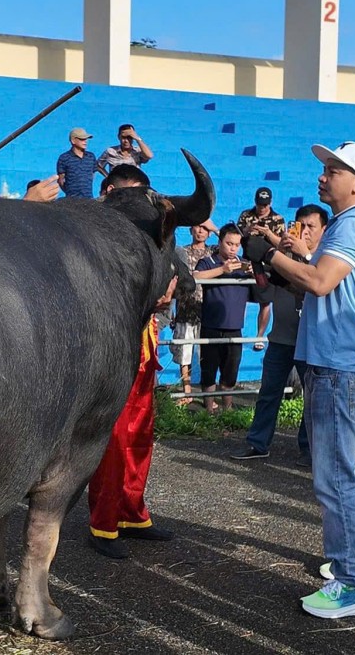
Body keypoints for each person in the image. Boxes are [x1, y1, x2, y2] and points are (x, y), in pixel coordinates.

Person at [259, 141, 355, 619]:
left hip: (338, 364)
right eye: (325, 167)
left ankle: (353, 585)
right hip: (336, 361)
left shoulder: (354, 222)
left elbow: (319, 282)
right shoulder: (350, 223)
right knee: (342, 471)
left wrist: (270, 258)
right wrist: (281, 254)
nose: (322, 175)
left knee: (334, 478)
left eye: (334, 169)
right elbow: (317, 277)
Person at [87, 163, 175, 559]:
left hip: (145, 339)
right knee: (114, 437)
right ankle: (103, 524)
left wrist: (167, 290)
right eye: (127, 193)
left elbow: (175, 273)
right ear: (107, 192)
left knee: (140, 432)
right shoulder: (87, 229)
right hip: (109, 343)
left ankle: (133, 512)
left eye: (142, 194)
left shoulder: (151, 231)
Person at [230, 204, 328, 463]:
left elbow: (316, 284)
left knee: (312, 398)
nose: (304, 232)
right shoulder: (282, 255)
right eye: (300, 225)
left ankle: (308, 449)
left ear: (324, 230)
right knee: (268, 392)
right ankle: (258, 442)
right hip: (281, 337)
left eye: (311, 227)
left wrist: (305, 255)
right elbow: (267, 281)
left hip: (310, 340)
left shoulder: (325, 259)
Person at [193, 224, 250, 413]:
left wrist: (253, 271)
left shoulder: (244, 264)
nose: (233, 248)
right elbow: (196, 276)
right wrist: (222, 270)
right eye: (229, 243)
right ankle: (209, 412)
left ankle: (228, 412)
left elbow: (265, 278)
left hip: (235, 327)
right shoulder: (208, 261)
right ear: (219, 242)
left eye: (237, 244)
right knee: (208, 371)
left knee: (230, 374)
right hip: (211, 325)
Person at [238, 186, 286, 351]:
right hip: (247, 262)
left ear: (270, 203)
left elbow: (282, 244)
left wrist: (268, 233)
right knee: (240, 298)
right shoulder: (246, 215)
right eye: (259, 204)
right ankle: (237, 331)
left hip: (266, 264)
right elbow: (236, 236)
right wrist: (247, 230)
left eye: (265, 205)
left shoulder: (277, 219)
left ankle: (259, 336)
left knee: (265, 302)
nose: (262, 208)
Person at [171, 224, 212, 402]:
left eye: (205, 228)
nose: (201, 231)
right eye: (197, 227)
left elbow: (232, 241)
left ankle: (207, 393)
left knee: (207, 353)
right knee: (184, 353)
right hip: (185, 308)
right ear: (190, 230)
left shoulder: (214, 252)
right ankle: (186, 391)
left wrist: (214, 226)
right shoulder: (182, 252)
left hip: (208, 309)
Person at [56, 127, 96, 198]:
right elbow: (61, 181)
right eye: (82, 139)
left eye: (86, 139)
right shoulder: (64, 158)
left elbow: (92, 176)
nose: (85, 141)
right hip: (71, 201)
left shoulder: (91, 157)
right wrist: (70, 192)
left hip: (89, 199)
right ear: (73, 140)